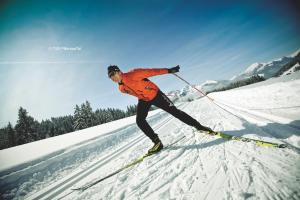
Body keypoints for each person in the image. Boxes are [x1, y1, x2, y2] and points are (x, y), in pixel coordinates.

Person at [107, 65, 213, 154]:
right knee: (140, 121)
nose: (112, 78)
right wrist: (143, 97)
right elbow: (135, 92)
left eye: (113, 74)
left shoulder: (134, 74)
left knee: (175, 112)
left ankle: (199, 127)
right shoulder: (121, 89)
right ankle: (157, 143)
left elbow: (152, 72)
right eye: (110, 77)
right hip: (144, 100)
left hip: (156, 95)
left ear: (119, 72)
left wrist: (168, 70)